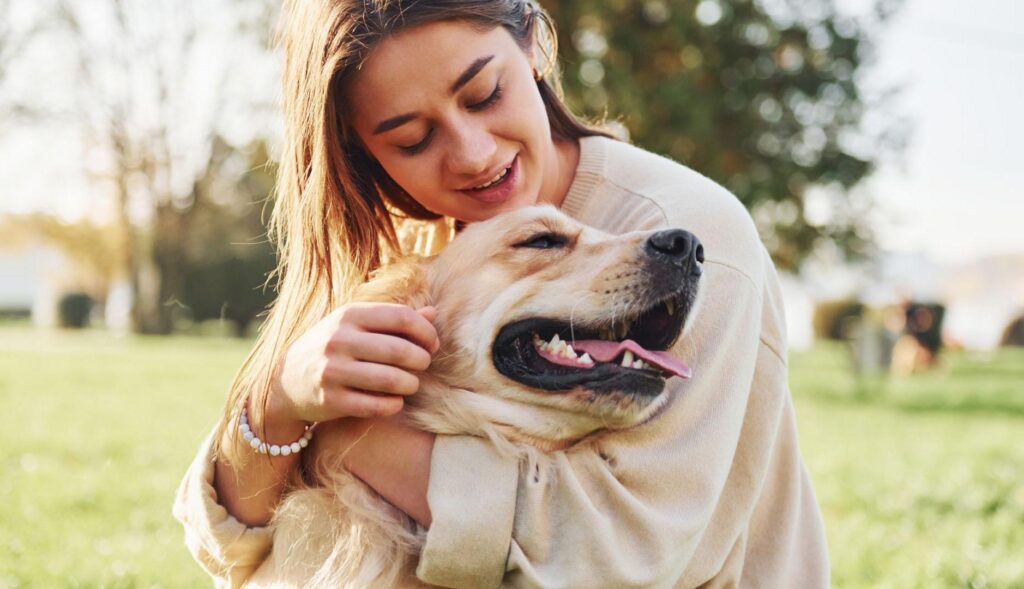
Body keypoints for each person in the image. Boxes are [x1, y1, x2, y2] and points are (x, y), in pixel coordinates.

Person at [173, 0, 830, 587]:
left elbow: (620, 553)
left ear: (533, 47)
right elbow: (229, 538)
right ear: (364, 154)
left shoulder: (686, 231)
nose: (473, 154)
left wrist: (346, 435)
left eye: (485, 94)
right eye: (412, 139)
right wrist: (283, 402)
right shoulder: (405, 247)